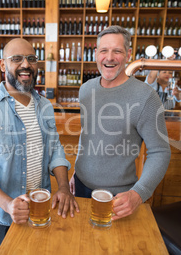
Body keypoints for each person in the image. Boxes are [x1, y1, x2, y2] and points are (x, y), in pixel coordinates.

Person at [0, 38, 79, 254]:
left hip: (42, 208)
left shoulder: (44, 105)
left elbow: (54, 149)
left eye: (31, 59)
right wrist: (8, 204)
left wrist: (64, 187)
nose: (25, 65)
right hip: (5, 216)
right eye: (16, 59)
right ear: (2, 65)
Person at [69, 26, 171, 220]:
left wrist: (139, 193)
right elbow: (87, 134)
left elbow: (160, 151)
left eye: (117, 51)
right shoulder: (86, 89)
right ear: (96, 54)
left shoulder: (146, 97)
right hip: (80, 188)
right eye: (104, 51)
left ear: (128, 54)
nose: (109, 57)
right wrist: (77, 169)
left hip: (118, 197)